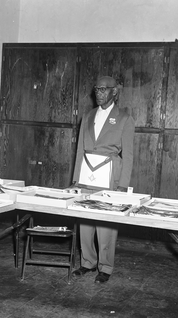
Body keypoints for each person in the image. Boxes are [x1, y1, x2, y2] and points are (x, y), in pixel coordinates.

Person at [70, 76, 135, 283]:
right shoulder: (88, 116)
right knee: (85, 222)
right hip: (87, 176)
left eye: (104, 89)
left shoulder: (124, 118)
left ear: (114, 92)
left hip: (110, 177)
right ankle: (87, 262)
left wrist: (123, 185)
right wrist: (75, 180)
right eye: (96, 89)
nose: (99, 93)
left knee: (106, 224)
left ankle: (105, 267)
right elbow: (80, 150)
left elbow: (129, 155)